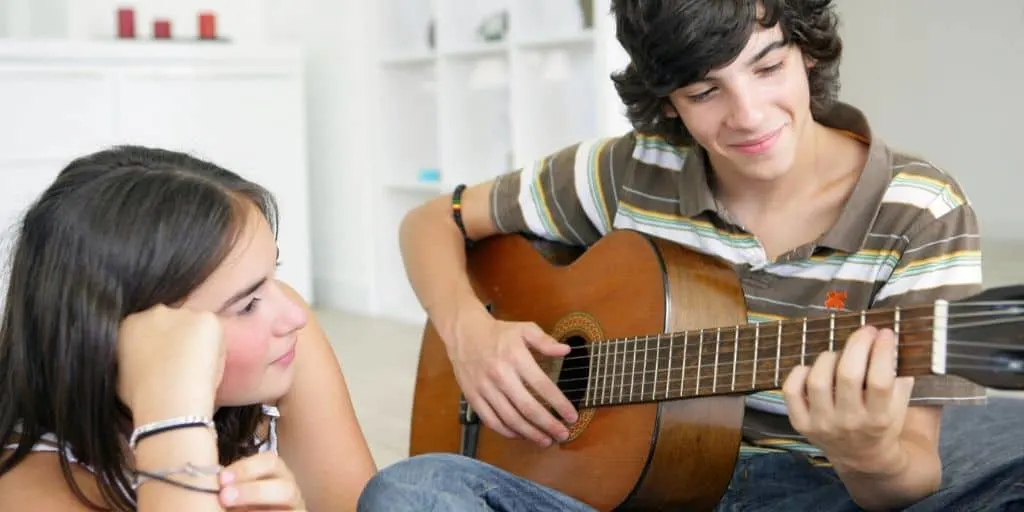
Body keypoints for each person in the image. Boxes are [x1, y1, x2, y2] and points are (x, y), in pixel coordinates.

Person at [357, 0, 1024, 511]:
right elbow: (432, 221)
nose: (749, 115)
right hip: (606, 491)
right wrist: (467, 329)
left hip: (808, 492)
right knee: (411, 490)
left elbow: (910, 474)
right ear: (668, 103)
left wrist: (869, 453)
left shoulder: (919, 209)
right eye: (706, 92)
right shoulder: (628, 170)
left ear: (807, 53)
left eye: (767, 67)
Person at [0, 145, 377, 511]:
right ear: (119, 340)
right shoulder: (27, 487)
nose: (295, 315)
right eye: (247, 305)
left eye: (273, 276)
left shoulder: (286, 343)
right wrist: (171, 414)